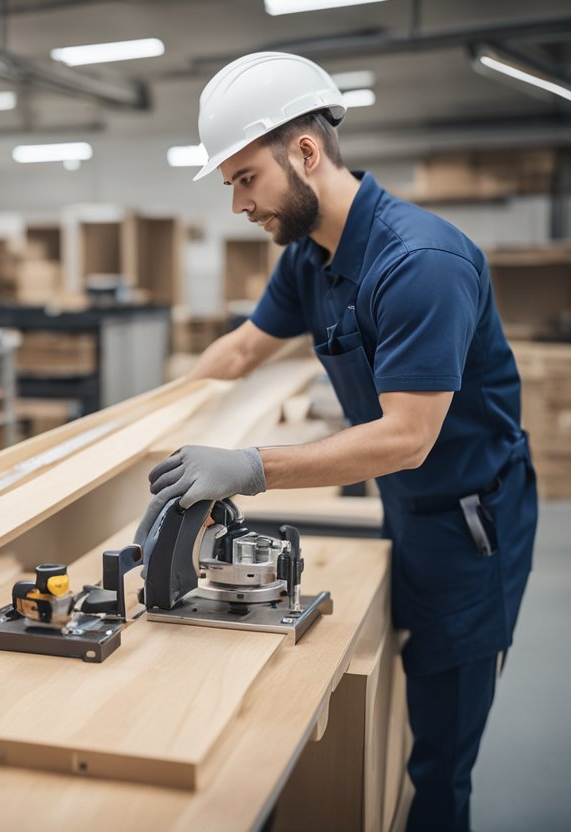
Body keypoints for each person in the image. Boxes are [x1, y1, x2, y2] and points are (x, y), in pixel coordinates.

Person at [138, 52, 537, 832]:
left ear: (306, 153)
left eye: (246, 178)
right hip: (409, 505)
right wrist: (155, 416)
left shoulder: (419, 264)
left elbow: (409, 437)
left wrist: (251, 467)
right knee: (407, 674)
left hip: (470, 522)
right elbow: (245, 349)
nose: (239, 204)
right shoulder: (311, 258)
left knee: (441, 754)